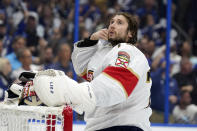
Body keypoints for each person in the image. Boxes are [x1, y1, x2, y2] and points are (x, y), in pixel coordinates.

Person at [13, 12, 152, 131]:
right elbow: (83, 69)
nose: (112, 25)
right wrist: (91, 40)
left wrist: (64, 91)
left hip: (123, 125)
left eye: (119, 23)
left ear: (130, 33)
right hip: (99, 125)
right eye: (111, 22)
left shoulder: (127, 51)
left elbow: (112, 88)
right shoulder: (105, 51)